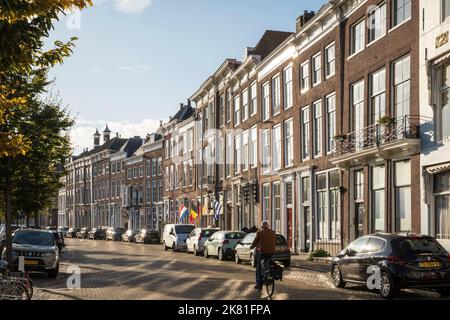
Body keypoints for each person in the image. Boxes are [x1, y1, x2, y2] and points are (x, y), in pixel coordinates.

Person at [250, 220, 276, 291]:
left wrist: (251, 247)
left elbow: (255, 242)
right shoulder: (273, 232)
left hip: (263, 252)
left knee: (259, 267)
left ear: (262, 226)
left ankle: (258, 284)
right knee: (269, 262)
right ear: (268, 226)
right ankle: (270, 273)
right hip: (271, 252)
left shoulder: (260, 233)